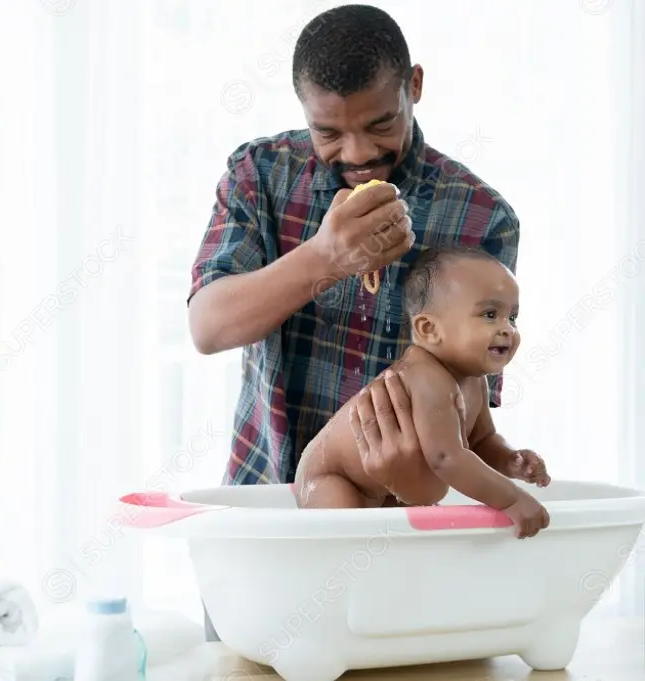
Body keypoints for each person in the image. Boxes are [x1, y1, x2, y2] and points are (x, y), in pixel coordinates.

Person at [186, 5, 520, 640]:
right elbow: (208, 326)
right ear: (303, 111)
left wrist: (465, 470)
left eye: (380, 123)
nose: (359, 154)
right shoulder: (260, 175)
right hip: (266, 520)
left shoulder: (481, 216)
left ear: (414, 86)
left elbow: (474, 390)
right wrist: (323, 258)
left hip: (403, 534)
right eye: (328, 134)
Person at [294, 245, 550, 538]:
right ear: (429, 329)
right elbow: (447, 459)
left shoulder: (473, 380)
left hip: (387, 483)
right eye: (490, 314)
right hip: (333, 477)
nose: (507, 329)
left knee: (394, 555)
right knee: (345, 542)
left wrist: (508, 459)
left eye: (512, 317)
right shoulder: (426, 377)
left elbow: (480, 441)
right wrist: (512, 499)